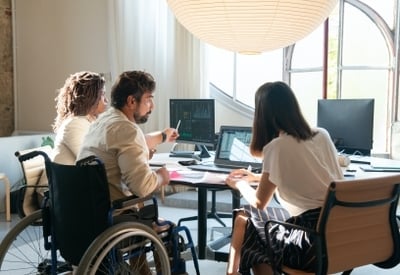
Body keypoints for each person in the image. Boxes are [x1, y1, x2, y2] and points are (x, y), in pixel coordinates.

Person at [225, 81, 344, 275]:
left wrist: (238, 183)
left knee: (250, 224)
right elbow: (312, 175)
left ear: (263, 115)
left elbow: (258, 203)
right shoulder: (322, 134)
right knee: (244, 217)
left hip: (309, 243)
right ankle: (231, 273)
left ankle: (233, 272)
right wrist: (256, 177)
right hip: (339, 233)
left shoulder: (277, 146)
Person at [77, 70, 179, 202]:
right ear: (131, 101)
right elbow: (142, 187)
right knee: (174, 224)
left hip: (89, 208)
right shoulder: (127, 130)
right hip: (114, 213)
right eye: (148, 99)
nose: (152, 107)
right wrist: (161, 177)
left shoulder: (102, 120)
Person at [52, 71, 108, 165]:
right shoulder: (74, 124)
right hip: (66, 179)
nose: (106, 100)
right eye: (102, 94)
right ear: (90, 97)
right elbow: (91, 160)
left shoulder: (90, 122)